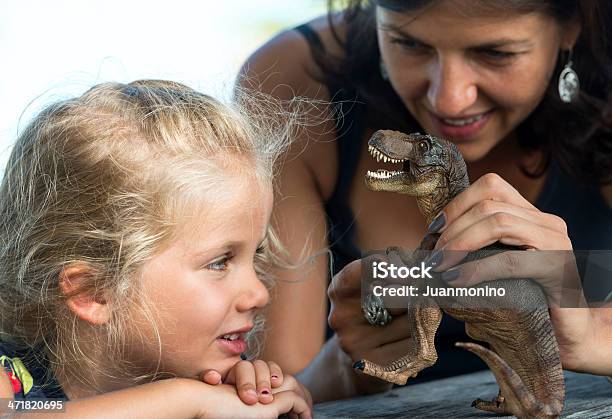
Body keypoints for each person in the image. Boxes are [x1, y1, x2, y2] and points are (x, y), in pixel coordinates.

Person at [239, 0, 612, 402]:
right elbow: (276, 390)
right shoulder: (295, 81)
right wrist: (354, 364)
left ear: (571, 25)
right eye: (409, 44)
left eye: (495, 53)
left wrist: (595, 335)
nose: (449, 99)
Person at [0, 80, 312, 418]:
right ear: (95, 292)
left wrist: (269, 398)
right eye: (220, 263)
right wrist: (188, 402)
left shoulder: (214, 376)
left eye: (257, 254)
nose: (259, 294)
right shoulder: (11, 382)